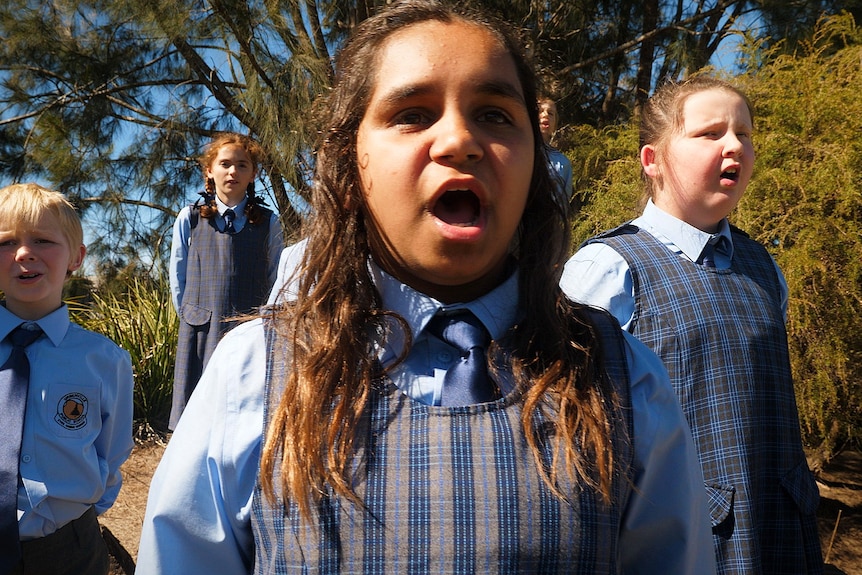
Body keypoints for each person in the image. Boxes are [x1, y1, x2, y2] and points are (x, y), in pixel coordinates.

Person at [138, 2, 714, 573]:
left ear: (537, 163)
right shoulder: (252, 377)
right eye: (412, 114)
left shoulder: (625, 381)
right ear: (348, 161)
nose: (459, 140)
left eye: (494, 114)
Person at [561, 76, 823, 574]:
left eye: (743, 134)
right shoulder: (608, 269)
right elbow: (570, 430)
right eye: (710, 133)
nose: (734, 146)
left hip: (781, 534)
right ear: (652, 161)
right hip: (679, 545)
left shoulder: (764, 267)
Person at [0, 183, 134, 575]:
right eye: (6, 242)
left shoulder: (104, 360)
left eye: (42, 239)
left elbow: (112, 451)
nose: (24, 253)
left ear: (76, 257)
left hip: (69, 550)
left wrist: (78, 514)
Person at [168, 132, 283, 429]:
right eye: (225, 164)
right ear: (210, 170)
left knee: (242, 417)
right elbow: (177, 275)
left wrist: (262, 323)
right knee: (198, 418)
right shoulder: (190, 218)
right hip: (200, 331)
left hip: (248, 331)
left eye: (242, 165)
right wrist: (190, 316)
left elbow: (275, 279)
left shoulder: (269, 223)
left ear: (253, 173)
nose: (233, 171)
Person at [538, 96, 573, 206]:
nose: (545, 115)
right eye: (540, 111)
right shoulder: (518, 151)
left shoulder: (563, 163)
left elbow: (564, 202)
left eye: (550, 113)